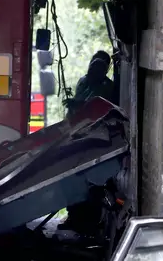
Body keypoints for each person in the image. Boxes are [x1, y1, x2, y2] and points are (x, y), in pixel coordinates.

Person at [59, 50, 114, 233]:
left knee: (90, 182)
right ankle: (73, 215)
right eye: (93, 65)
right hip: (75, 135)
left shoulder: (107, 87)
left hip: (94, 139)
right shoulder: (83, 82)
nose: (94, 69)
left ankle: (87, 221)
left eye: (99, 66)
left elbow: (94, 107)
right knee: (68, 176)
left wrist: (77, 104)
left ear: (105, 70)